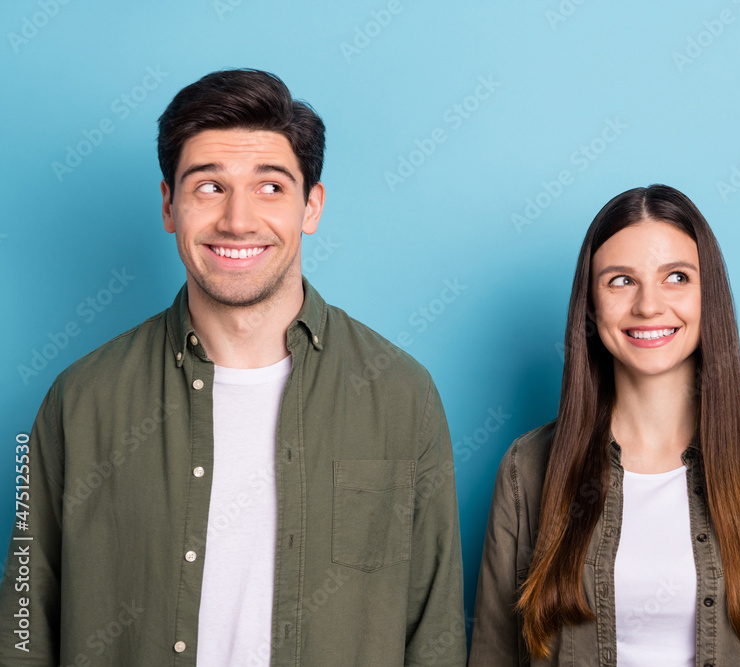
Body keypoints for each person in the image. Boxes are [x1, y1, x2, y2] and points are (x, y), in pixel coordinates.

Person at [0, 69, 466, 666]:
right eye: (209, 187)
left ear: (312, 206)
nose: (238, 220)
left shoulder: (402, 395)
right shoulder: (81, 398)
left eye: (270, 187)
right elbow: (22, 624)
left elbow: (436, 635)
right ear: (170, 205)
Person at [469, 185, 740, 665]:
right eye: (621, 280)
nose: (648, 306)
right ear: (590, 304)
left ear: (710, 296)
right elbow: (494, 656)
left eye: (677, 277)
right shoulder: (528, 468)